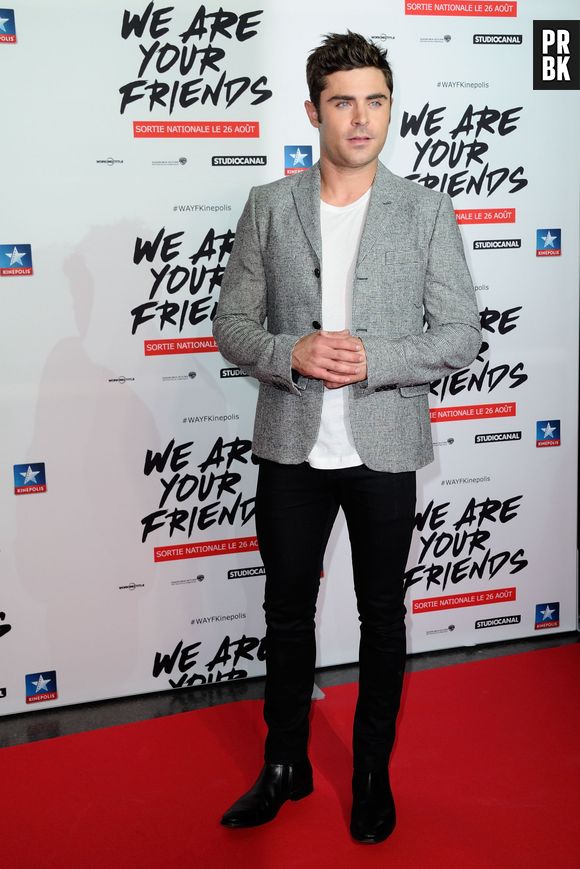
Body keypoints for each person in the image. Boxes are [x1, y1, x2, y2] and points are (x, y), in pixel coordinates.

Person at [212, 31, 481, 844]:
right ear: (312, 110)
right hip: (292, 445)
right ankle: (285, 765)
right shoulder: (269, 204)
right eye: (343, 102)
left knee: (381, 618)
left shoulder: (426, 209)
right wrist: (286, 351)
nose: (361, 119)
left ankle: (370, 774)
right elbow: (230, 324)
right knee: (286, 614)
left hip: (384, 447)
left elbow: (462, 334)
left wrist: (379, 356)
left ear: (390, 109)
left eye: (375, 101)